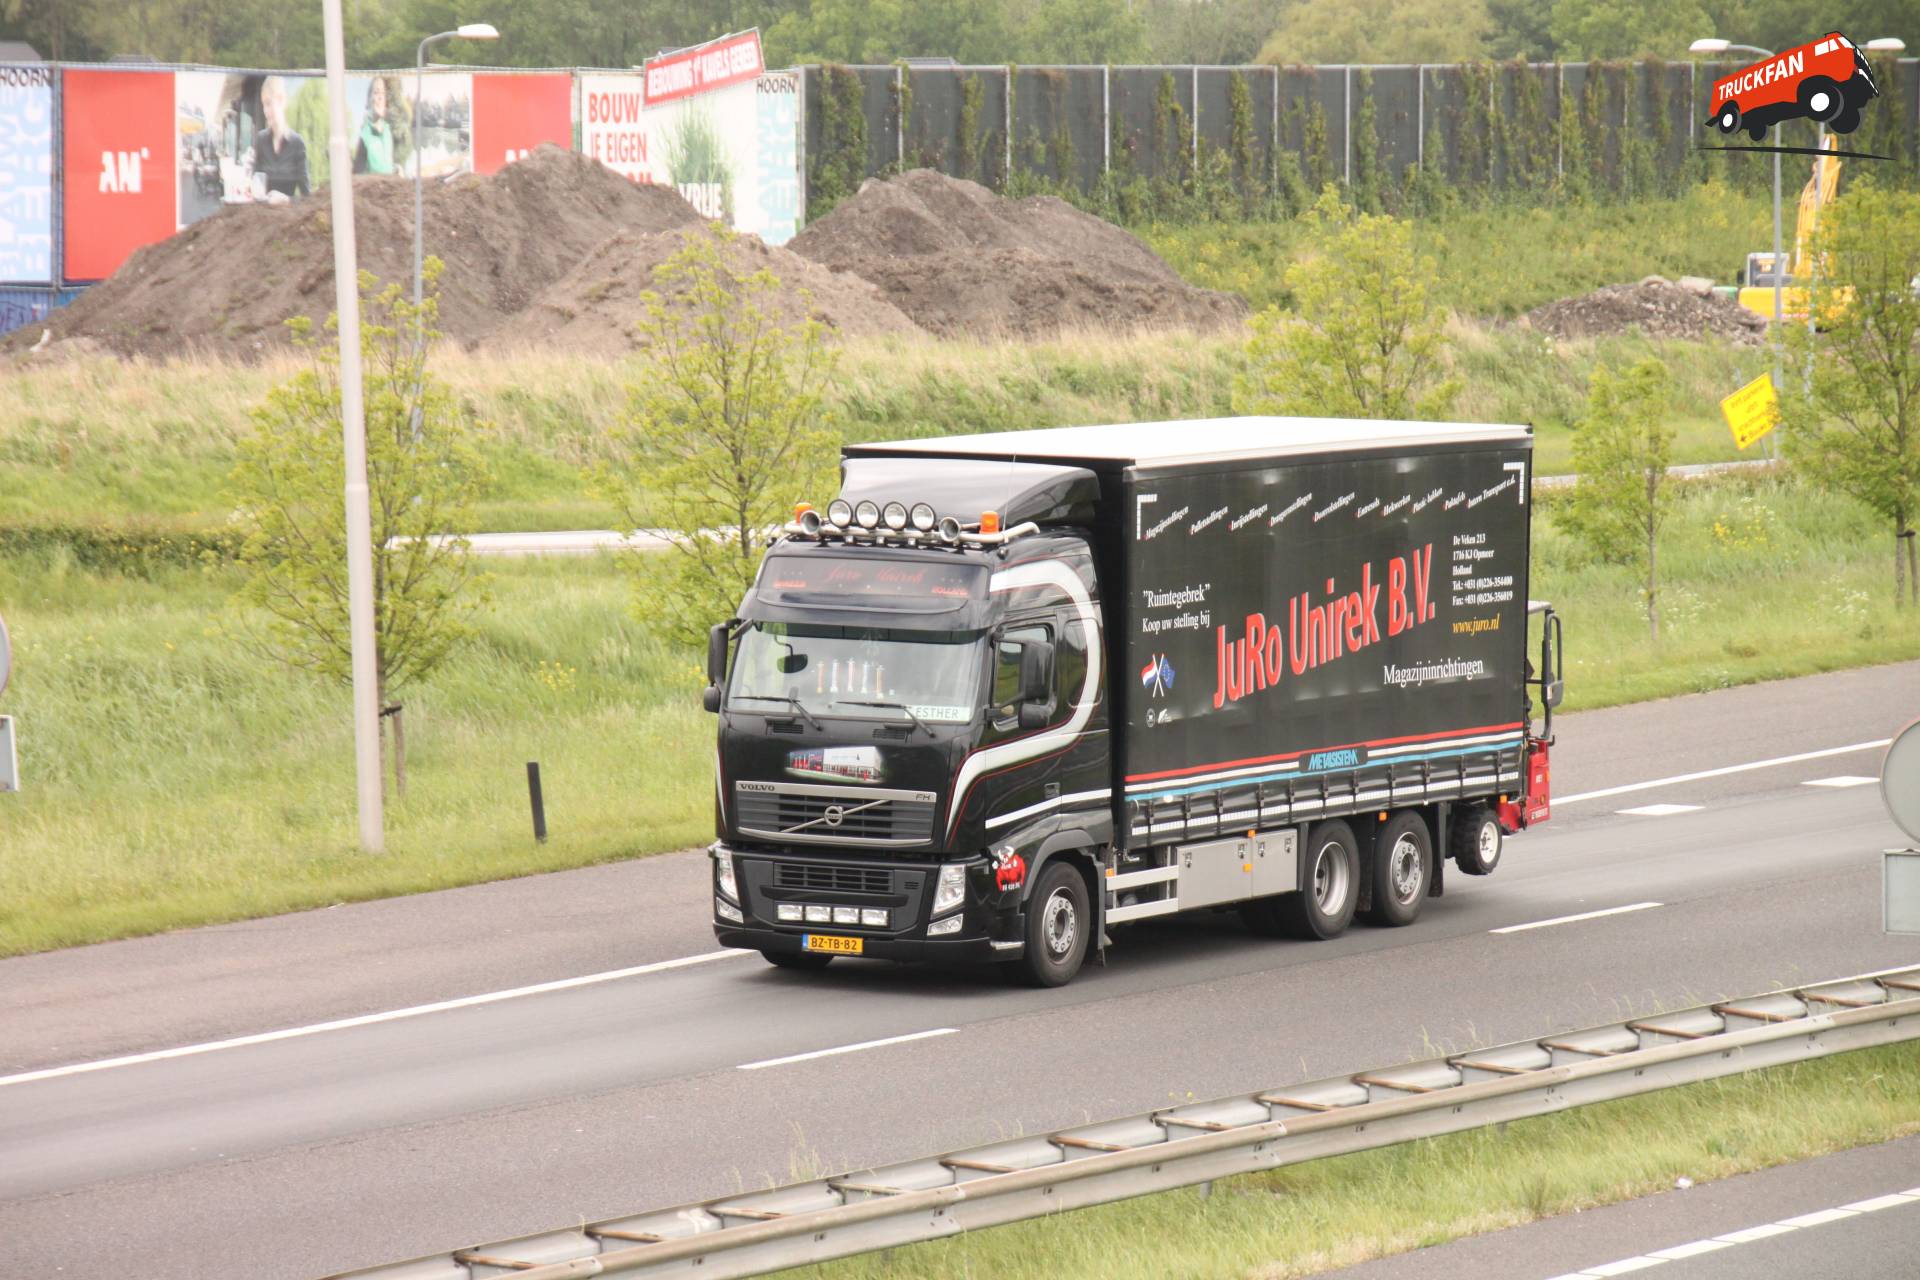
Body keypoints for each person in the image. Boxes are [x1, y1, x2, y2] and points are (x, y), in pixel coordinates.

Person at [249, 76, 310, 201]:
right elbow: (256, 184)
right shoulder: (261, 140)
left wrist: (286, 200)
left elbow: (307, 197)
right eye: (264, 105)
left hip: (288, 213)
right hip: (262, 211)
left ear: (281, 101)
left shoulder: (297, 143)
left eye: (268, 103)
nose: (265, 110)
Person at [352, 77, 397, 176]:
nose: (380, 97)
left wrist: (396, 169)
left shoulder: (388, 131)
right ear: (369, 101)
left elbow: (387, 166)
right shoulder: (364, 136)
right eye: (376, 93)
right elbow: (357, 176)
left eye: (383, 93)